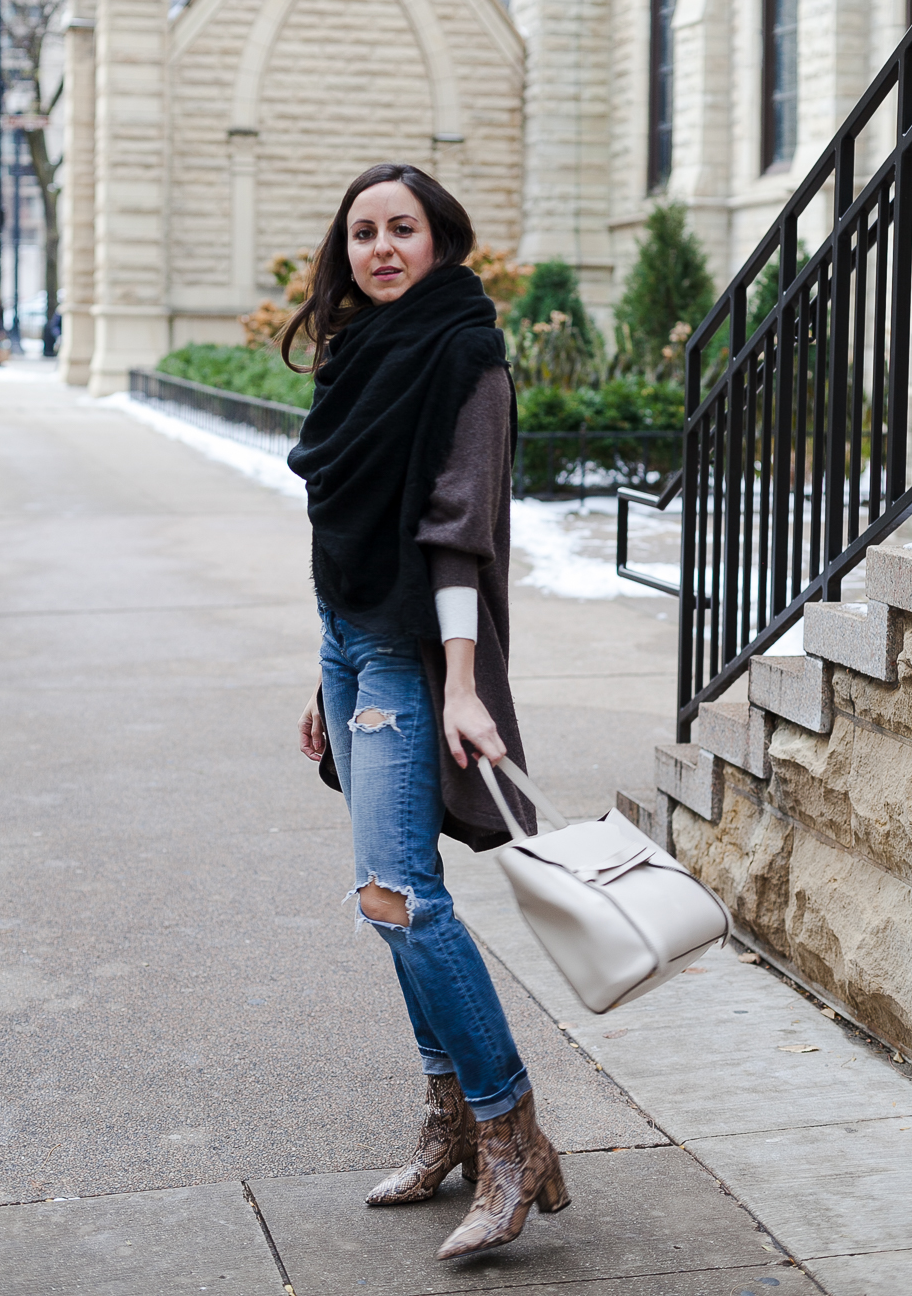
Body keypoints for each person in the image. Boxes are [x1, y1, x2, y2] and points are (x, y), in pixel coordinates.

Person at [285, 164, 569, 1263]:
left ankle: (511, 1136)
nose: (380, 247)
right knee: (385, 898)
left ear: (441, 240)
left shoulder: (462, 353)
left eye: (402, 227)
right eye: (362, 232)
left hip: (413, 656)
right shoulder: (355, 356)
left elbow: (458, 530)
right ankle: (451, 1120)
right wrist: (323, 674)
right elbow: (342, 534)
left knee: (401, 892)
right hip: (352, 647)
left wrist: (459, 682)